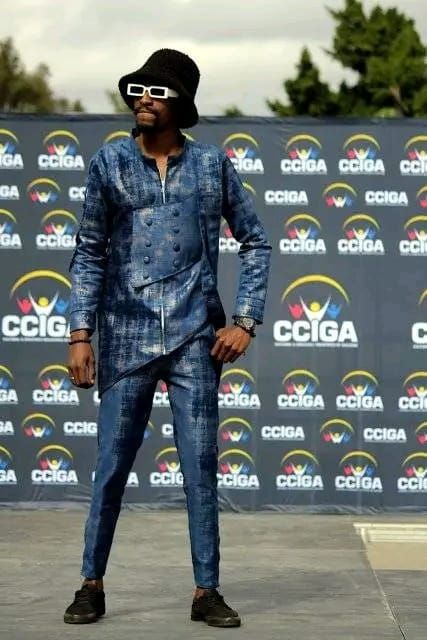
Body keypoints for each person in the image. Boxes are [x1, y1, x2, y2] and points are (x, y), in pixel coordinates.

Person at [64, 48, 271, 628]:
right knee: (110, 468)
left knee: (200, 470)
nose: (144, 99)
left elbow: (256, 241)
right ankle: (90, 584)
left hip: (195, 340)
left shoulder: (212, 166)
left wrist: (245, 321)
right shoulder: (109, 163)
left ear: (182, 103)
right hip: (125, 336)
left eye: (157, 91)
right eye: (138, 89)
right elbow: (89, 251)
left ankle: (207, 591)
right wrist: (80, 333)